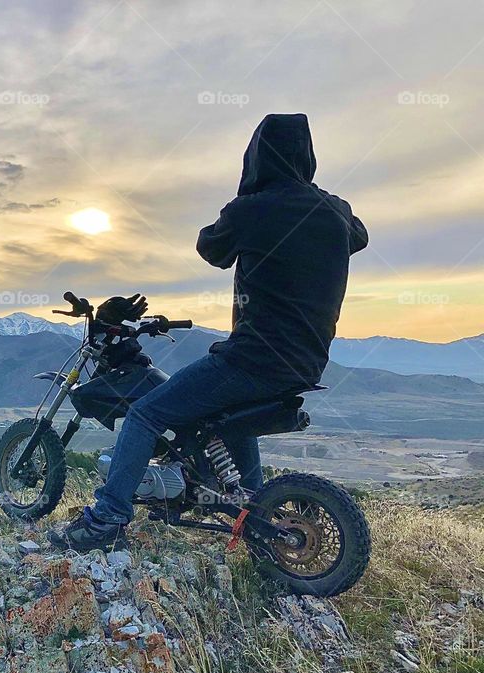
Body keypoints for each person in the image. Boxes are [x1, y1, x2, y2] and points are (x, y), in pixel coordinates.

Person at [49, 113, 368, 552]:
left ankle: (106, 518)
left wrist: (245, 203)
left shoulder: (254, 209)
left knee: (145, 414)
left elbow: (211, 247)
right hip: (307, 360)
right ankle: (257, 521)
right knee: (232, 424)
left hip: (254, 357)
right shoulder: (336, 211)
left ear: (255, 158)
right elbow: (359, 236)